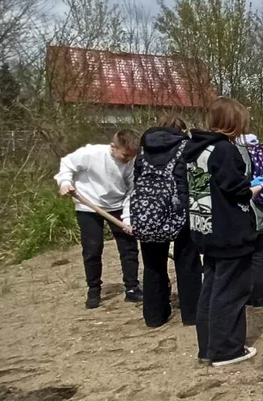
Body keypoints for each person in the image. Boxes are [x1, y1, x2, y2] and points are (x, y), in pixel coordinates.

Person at [184, 97, 262, 367]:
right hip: (229, 230)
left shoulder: (195, 150)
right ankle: (227, 349)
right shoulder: (223, 150)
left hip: (205, 228)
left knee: (211, 288)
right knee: (231, 291)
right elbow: (235, 189)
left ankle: (207, 348)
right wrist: (255, 189)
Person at [125, 118, 200, 327]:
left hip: (149, 212)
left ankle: (154, 315)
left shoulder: (143, 150)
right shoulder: (186, 147)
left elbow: (136, 179)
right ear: (181, 130)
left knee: (152, 264)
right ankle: (192, 313)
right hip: (179, 210)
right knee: (187, 261)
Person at [55, 129, 141, 309]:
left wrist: (128, 218)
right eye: (125, 155)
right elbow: (67, 164)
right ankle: (93, 290)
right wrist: (65, 182)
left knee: (129, 248)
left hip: (117, 206)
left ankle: (132, 288)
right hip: (88, 205)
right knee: (93, 249)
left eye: (131, 156)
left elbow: (132, 191)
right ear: (113, 147)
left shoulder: (132, 162)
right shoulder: (91, 154)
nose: (127, 160)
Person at [235, 134, 263, 308]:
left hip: (246, 206)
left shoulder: (238, 153)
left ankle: (247, 293)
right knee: (259, 251)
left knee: (244, 252)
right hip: (261, 208)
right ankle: (260, 295)